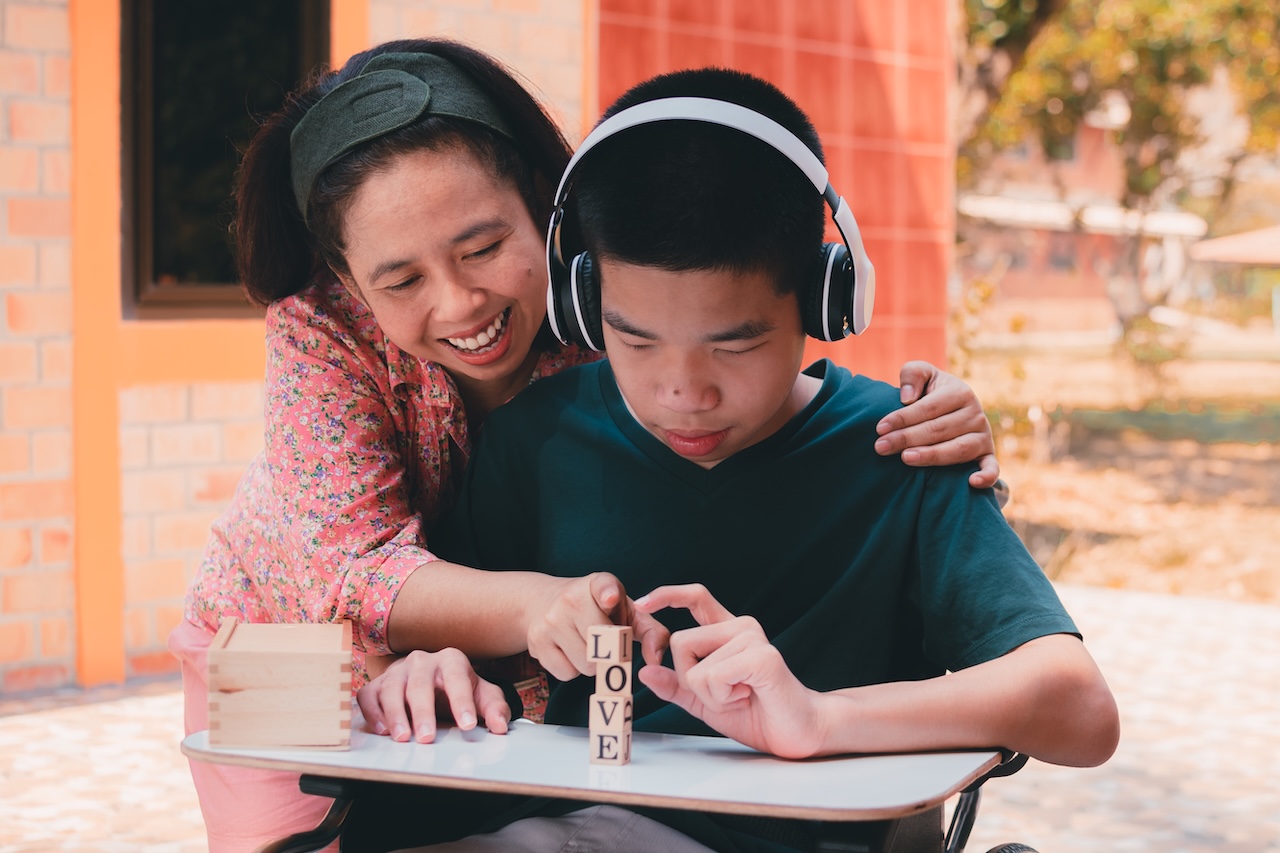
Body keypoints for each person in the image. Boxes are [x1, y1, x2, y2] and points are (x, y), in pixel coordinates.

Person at [170, 39, 1003, 851]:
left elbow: (739, 341)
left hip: (501, 656)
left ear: (543, 203)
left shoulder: (613, 316)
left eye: (485, 247)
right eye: (402, 281)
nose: (460, 303)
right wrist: (536, 607)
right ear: (350, 282)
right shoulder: (320, 332)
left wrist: (917, 422)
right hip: (293, 652)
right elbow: (352, 571)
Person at [359, 67, 1119, 852]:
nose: (683, 391)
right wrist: (421, 671)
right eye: (635, 339)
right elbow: (448, 655)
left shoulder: (904, 448)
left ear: (826, 301)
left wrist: (822, 720)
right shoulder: (537, 442)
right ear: (583, 304)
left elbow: (1080, 710)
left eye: (737, 342)